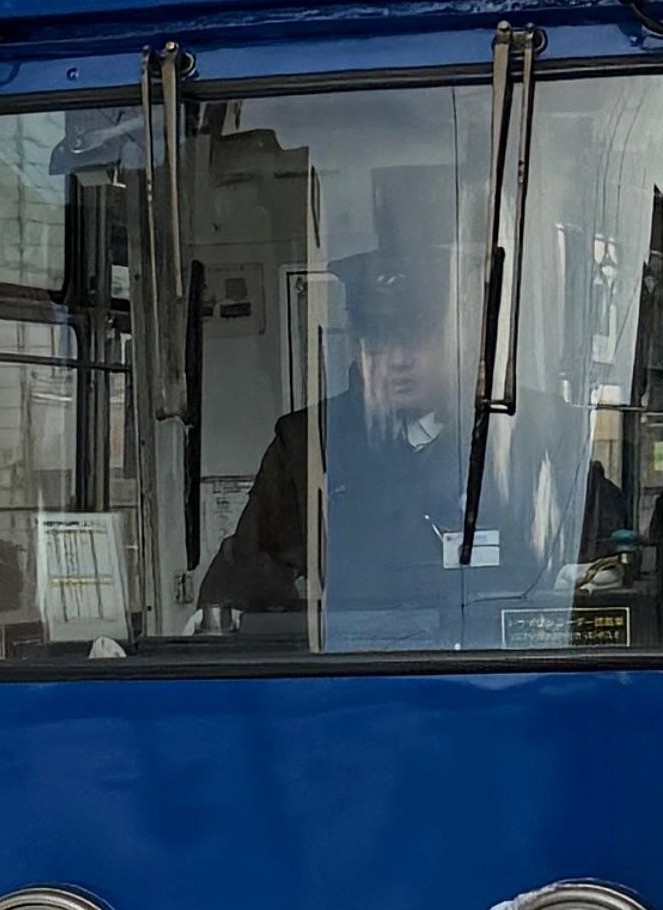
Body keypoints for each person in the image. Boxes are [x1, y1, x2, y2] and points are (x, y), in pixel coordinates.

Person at [200, 229, 482, 631]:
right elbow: (246, 573)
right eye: (379, 341)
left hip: (482, 658)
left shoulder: (505, 437)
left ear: (450, 340)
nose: (398, 360)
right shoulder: (307, 443)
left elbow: (573, 565)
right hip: (348, 660)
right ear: (354, 345)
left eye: (415, 339)